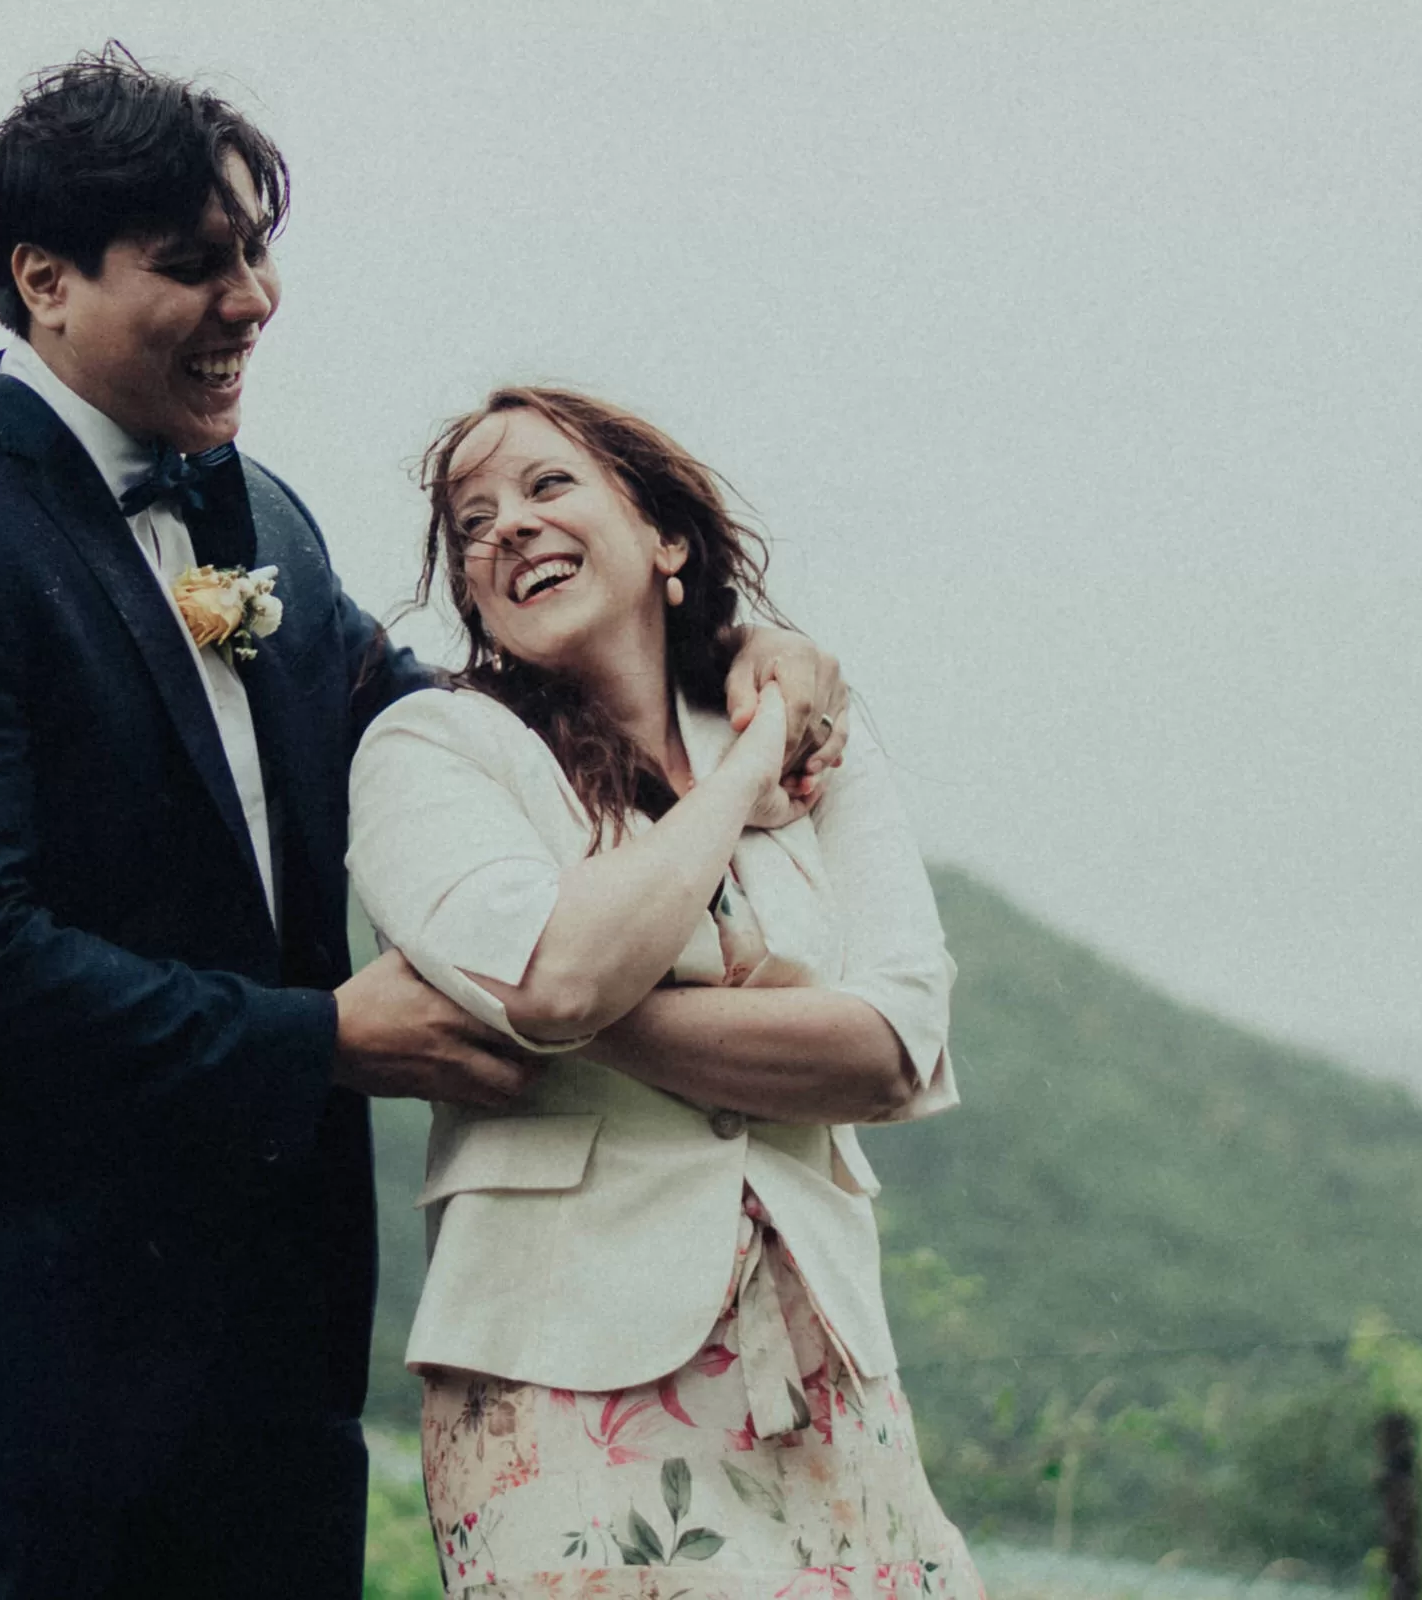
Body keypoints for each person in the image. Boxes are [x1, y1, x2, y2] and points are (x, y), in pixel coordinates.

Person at [0, 50, 850, 1600]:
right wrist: (319, 1040)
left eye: (256, 251)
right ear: (44, 281)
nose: (251, 299)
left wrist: (728, 659)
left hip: (257, 1377)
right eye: (195, 263)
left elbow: (448, 728)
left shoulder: (267, 519)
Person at [347, 387, 981, 1598]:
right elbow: (553, 974)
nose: (508, 530)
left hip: (824, 1372)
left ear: (664, 537)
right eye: (471, 524)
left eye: (547, 488)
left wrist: (573, 1008)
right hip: (559, 1377)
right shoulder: (435, 750)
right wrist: (744, 776)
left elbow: (894, 1046)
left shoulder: (820, 735)